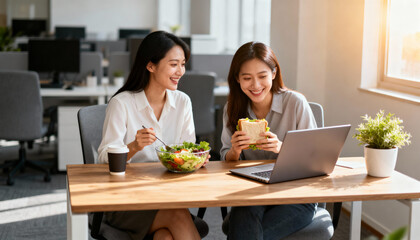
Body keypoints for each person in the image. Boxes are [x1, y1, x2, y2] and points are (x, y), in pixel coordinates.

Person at [98, 31, 202, 240]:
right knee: (178, 217)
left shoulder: (183, 102)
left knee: (164, 237)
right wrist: (133, 146)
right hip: (126, 201)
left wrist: (196, 158)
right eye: (173, 64)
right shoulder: (122, 104)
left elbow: (188, 149)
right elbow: (102, 161)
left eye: (183, 64)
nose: (180, 71)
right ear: (150, 65)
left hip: (166, 196)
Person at [220, 41, 318, 240]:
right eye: (247, 78)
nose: (255, 86)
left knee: (239, 229)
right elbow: (224, 160)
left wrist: (283, 148)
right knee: (245, 215)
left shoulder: (296, 103)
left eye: (262, 76)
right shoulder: (232, 108)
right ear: (237, 79)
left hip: (295, 196)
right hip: (252, 192)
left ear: (274, 73)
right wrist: (234, 151)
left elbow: (315, 159)